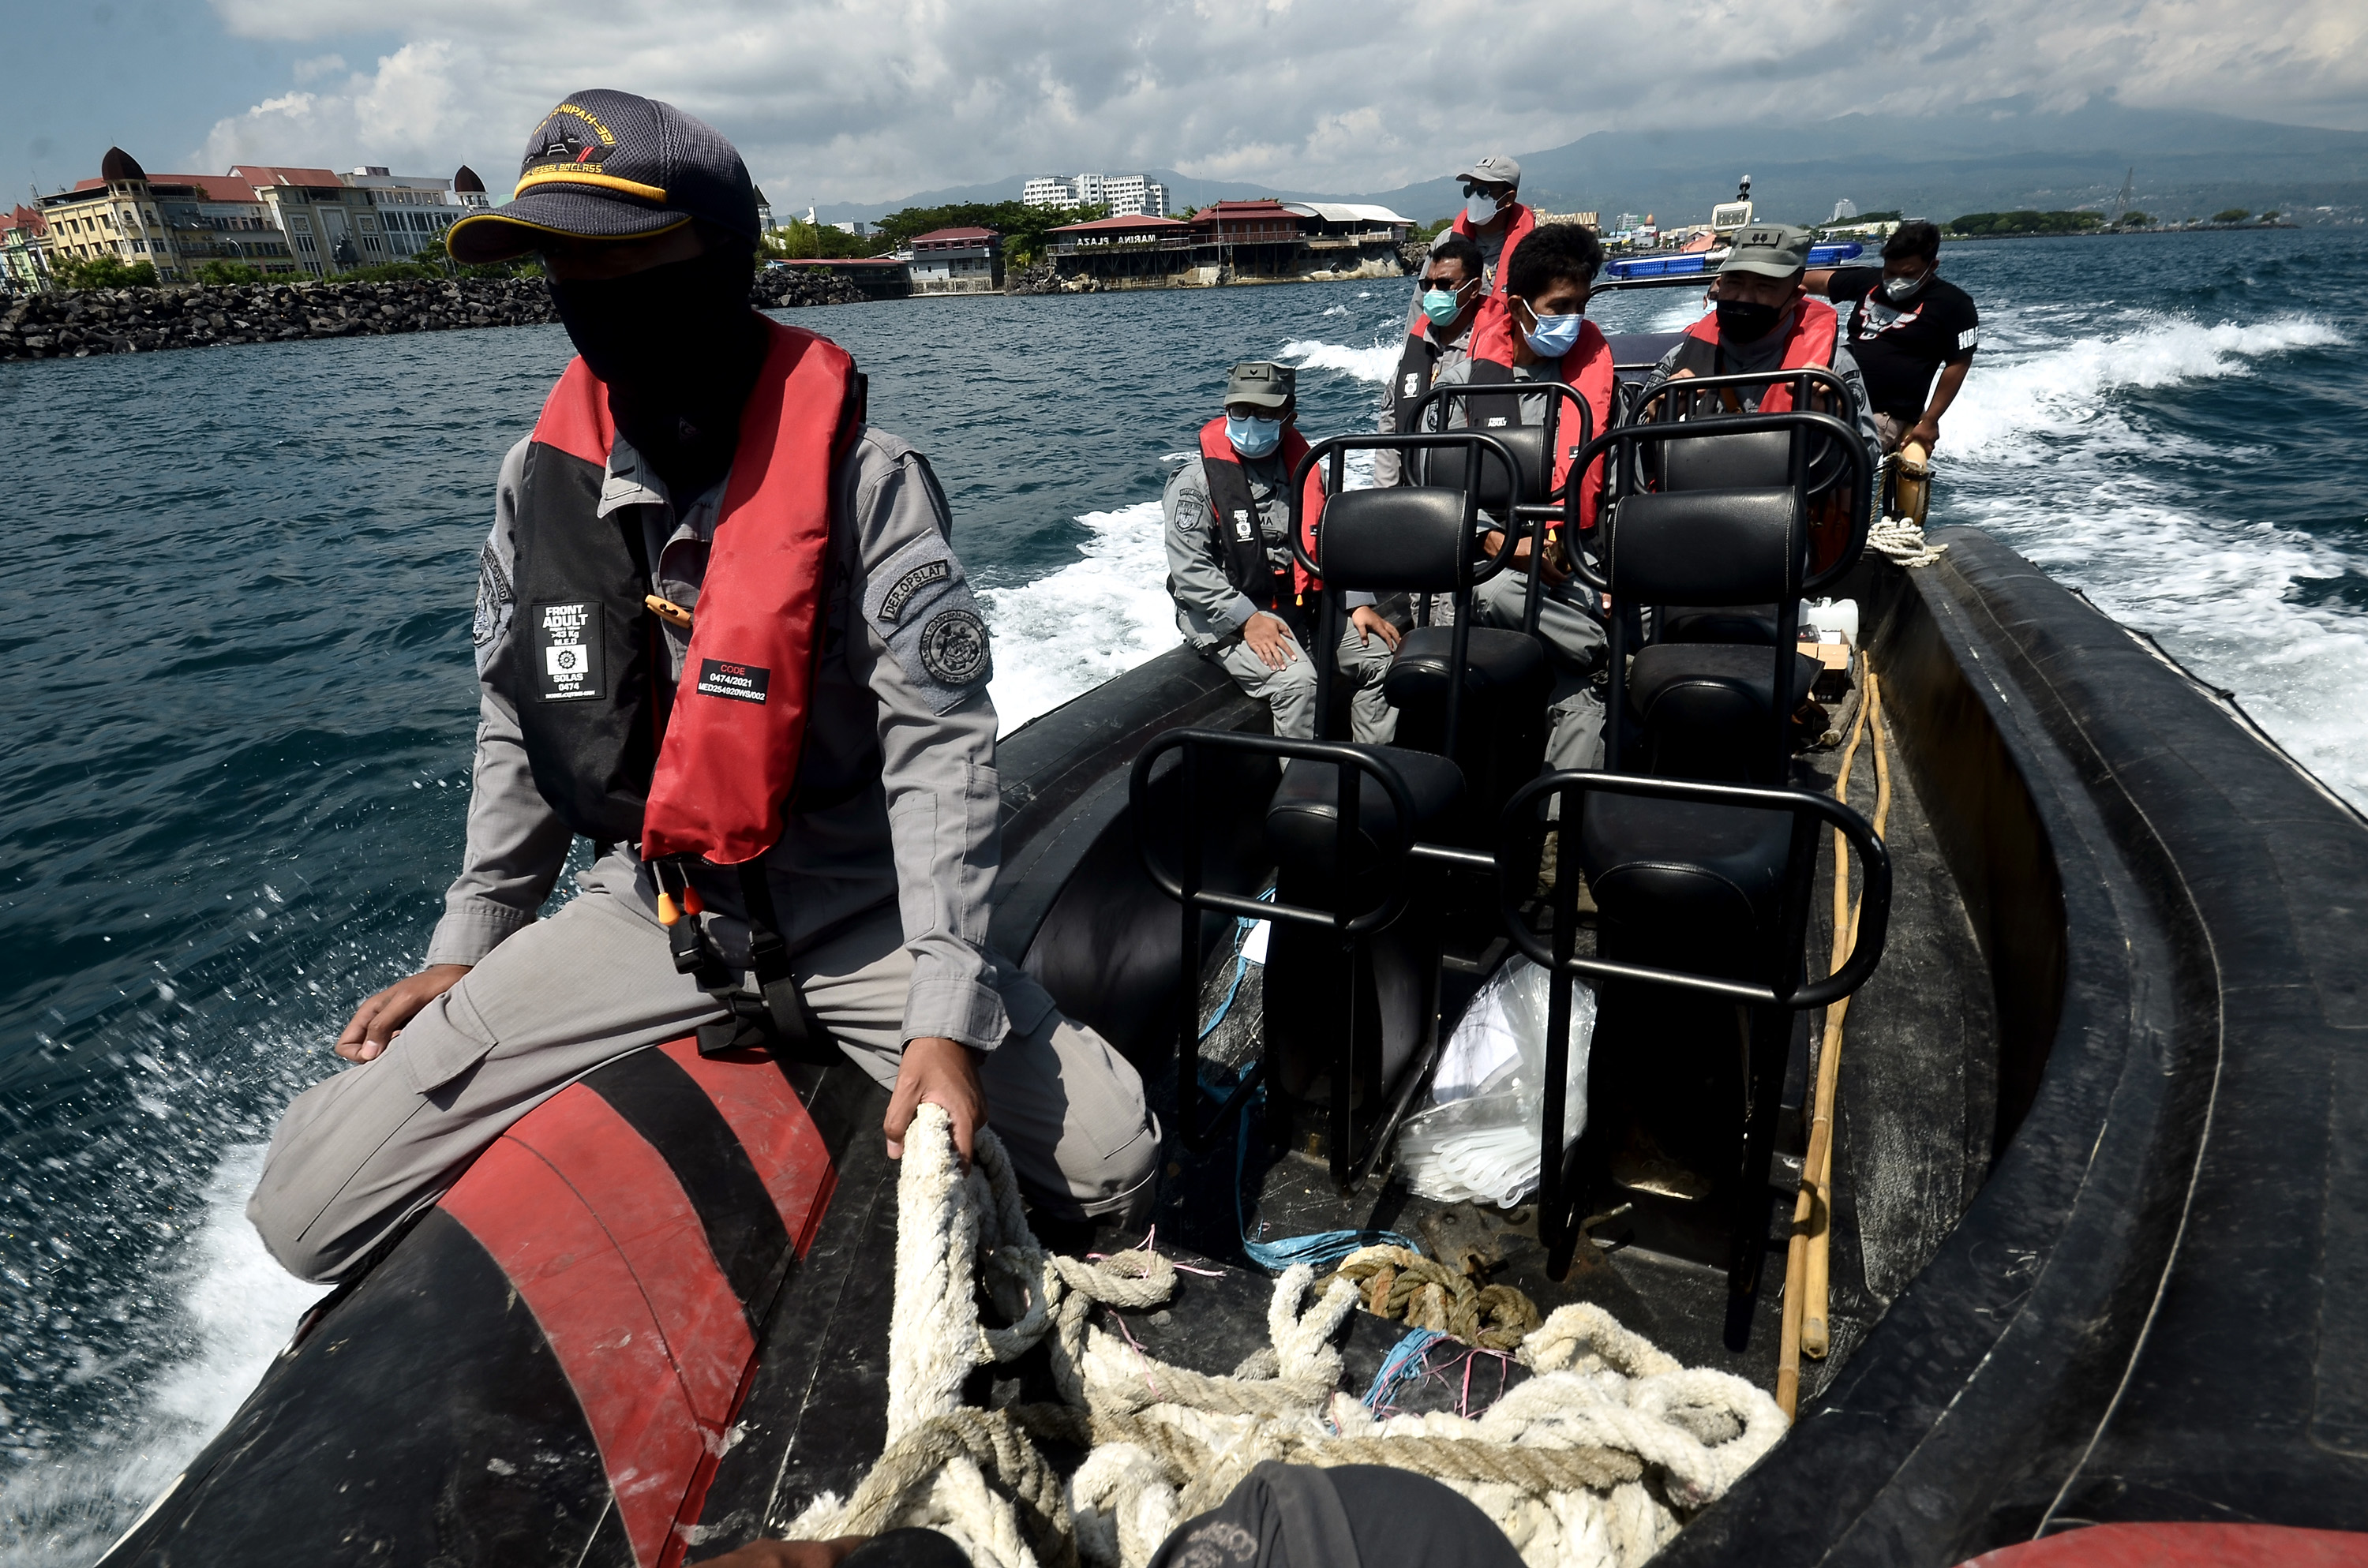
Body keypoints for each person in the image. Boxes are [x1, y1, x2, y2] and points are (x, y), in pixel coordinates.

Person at [244, 90, 1159, 1285]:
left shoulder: (865, 479)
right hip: (655, 907)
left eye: (621, 252)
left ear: (722, 258)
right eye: (559, 263)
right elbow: (521, 718)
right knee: (303, 1213)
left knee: (1111, 1156)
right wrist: (473, 941)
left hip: (853, 905)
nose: (589, 290)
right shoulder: (540, 483)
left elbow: (941, 752)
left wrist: (944, 1015)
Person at [1424, 223, 1617, 770]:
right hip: (1487, 562)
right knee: (1497, 595)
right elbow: (1431, 491)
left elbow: (1618, 483)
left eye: (1581, 305)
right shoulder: (1455, 392)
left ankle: (1561, 820)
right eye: (1559, 306)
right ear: (1517, 306)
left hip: (1572, 562)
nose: (1572, 320)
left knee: (1579, 695)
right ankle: (1600, 649)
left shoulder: (1595, 389)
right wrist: (1498, 540)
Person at [1164, 361, 1399, 743]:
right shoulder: (1197, 482)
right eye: (1240, 410)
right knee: (1298, 684)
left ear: (1288, 419)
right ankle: (1304, 795)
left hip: (1301, 602)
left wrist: (1357, 602)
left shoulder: (1306, 471)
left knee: (1380, 661)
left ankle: (1371, 778)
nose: (1250, 420)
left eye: (1264, 412)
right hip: (1227, 610)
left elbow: (1329, 542)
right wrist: (1244, 619)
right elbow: (1190, 569)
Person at [1639, 222, 1879, 455]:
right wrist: (1656, 417)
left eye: (1764, 287)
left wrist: (1839, 418)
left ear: (1796, 296)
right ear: (1719, 285)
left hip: (1797, 493)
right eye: (1734, 283)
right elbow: (1629, 448)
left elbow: (1867, 456)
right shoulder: (1677, 362)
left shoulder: (1831, 369)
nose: (1744, 298)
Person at [1806, 219, 1977, 458]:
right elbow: (1822, 282)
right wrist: (1782, 285)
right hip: (1834, 394)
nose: (1896, 280)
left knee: (1837, 460)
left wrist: (1930, 420)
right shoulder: (1871, 282)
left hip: (1884, 413)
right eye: (1890, 272)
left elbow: (1958, 363)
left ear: (1933, 266)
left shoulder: (1955, 304)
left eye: (1908, 274)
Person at [1373, 234, 1485, 489]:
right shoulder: (1416, 350)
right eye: (1428, 284)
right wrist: (1384, 498)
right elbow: (1389, 424)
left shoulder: (1487, 349)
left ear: (1474, 288)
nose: (1433, 293)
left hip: (1466, 497)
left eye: (1444, 284)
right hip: (1412, 496)